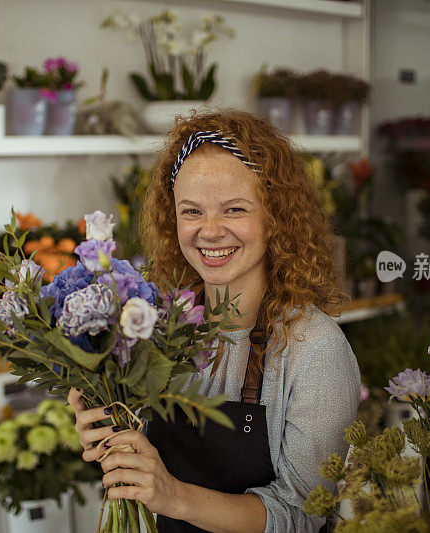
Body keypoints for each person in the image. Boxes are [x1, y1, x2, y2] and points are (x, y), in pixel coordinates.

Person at [68, 110, 360, 532]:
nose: (209, 231)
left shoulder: (315, 349)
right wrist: (109, 429)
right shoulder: (156, 328)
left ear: (275, 216)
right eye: (191, 211)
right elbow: (141, 465)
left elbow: (303, 515)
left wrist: (172, 495)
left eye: (234, 209)